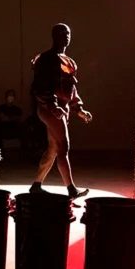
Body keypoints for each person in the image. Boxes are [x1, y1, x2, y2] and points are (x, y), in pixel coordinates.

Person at [29, 23, 93, 200]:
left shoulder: (69, 61)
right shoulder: (45, 59)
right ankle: (71, 189)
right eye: (62, 33)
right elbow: (39, 86)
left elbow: (71, 90)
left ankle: (36, 185)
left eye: (68, 33)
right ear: (54, 36)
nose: (66, 36)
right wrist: (52, 106)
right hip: (50, 110)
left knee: (53, 149)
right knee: (63, 146)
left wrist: (78, 109)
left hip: (60, 110)